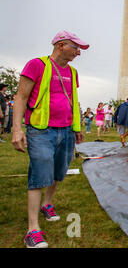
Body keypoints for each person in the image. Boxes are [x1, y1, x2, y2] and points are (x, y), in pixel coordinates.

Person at [11, 30, 89, 247]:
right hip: (41, 130)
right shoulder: (37, 65)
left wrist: (77, 127)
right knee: (39, 173)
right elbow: (21, 97)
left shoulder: (73, 73)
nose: (78, 53)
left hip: (66, 130)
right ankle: (33, 229)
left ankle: (47, 204)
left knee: (58, 171)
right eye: (76, 48)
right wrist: (17, 129)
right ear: (61, 45)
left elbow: (74, 100)